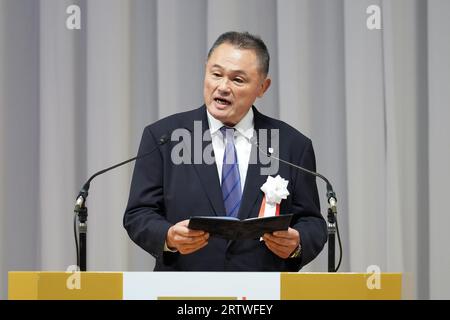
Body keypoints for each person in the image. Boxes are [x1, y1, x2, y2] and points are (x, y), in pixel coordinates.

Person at [124, 31, 327, 271]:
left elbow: (312, 222)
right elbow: (139, 213)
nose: (222, 87)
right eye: (216, 74)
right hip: (185, 291)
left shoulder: (292, 145)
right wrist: (168, 236)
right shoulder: (164, 137)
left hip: (262, 293)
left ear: (262, 87)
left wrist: (297, 243)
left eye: (238, 80)